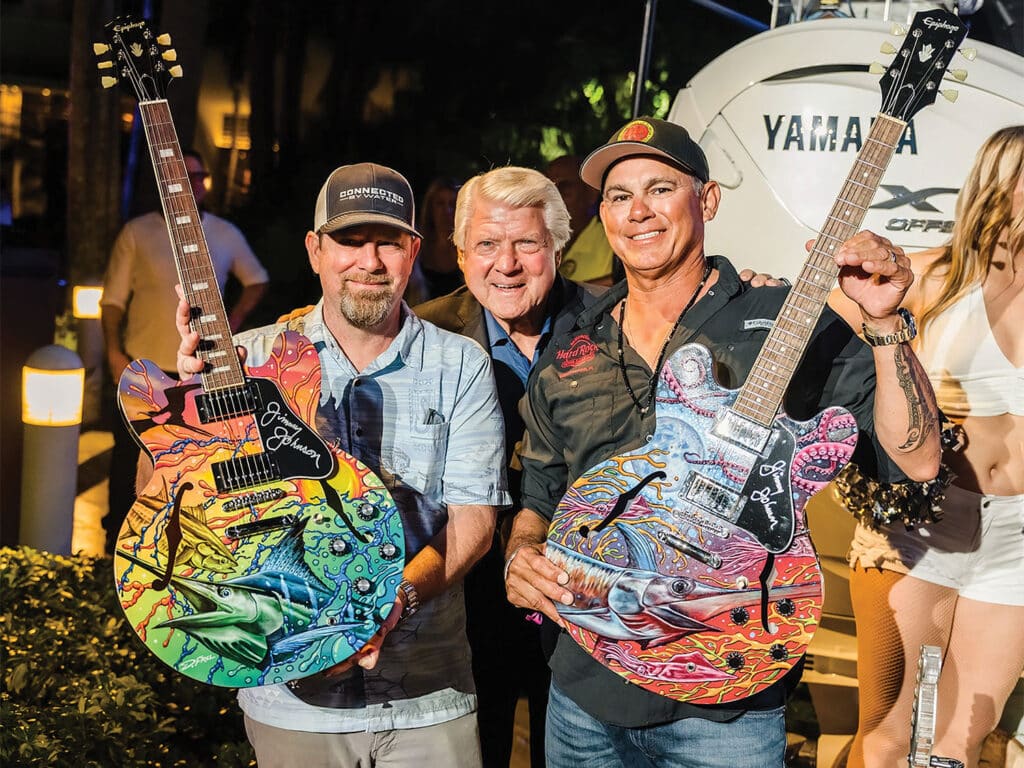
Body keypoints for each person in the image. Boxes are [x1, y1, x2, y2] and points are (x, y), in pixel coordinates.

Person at [503, 117, 942, 767]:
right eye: (619, 196)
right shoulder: (573, 344)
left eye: (660, 188)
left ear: (707, 201)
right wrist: (520, 552)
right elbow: (540, 485)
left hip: (726, 707)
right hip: (583, 691)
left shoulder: (782, 324)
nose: (639, 211)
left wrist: (884, 326)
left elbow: (917, 460)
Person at [175, 162, 510, 768]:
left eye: (388, 241)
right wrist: (187, 413)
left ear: (414, 250)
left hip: (428, 698)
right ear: (314, 250)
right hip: (290, 703)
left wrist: (393, 601)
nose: (370, 261)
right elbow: (173, 506)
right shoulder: (247, 361)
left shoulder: (461, 364)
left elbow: (475, 523)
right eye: (350, 241)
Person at [830, 125, 1024, 768]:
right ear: (1001, 184)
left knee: (959, 745)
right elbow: (819, 325)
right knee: (886, 737)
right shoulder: (932, 276)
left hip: (1016, 540)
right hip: (922, 525)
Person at [415, 166, 600, 768]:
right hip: (464, 584)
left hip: (582, 587)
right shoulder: (423, 332)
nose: (507, 263)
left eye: (526, 242)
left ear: (557, 247)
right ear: (461, 252)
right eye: (488, 245)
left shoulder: (612, 323)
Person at [101, 149, 268, 553]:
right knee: (129, 467)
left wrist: (232, 321)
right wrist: (112, 354)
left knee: (195, 471)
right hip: (146, 370)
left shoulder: (225, 232)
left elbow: (256, 279)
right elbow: (111, 302)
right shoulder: (137, 232)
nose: (192, 184)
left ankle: (189, 555)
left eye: (199, 176)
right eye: (183, 176)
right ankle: (117, 552)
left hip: (201, 376)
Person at [545, 155, 616, 286]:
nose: (553, 195)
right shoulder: (541, 243)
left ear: (591, 192)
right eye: (548, 188)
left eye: (564, 186)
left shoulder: (613, 240)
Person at [405, 176, 463, 304]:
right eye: (440, 204)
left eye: (452, 204)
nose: (447, 211)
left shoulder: (468, 248)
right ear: (430, 208)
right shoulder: (417, 249)